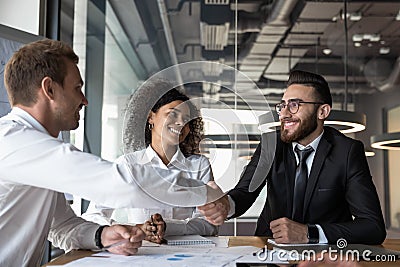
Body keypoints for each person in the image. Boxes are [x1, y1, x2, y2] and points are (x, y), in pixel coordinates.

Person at [0, 39, 222, 266]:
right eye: (77, 88)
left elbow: (62, 227)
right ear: (49, 89)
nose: (84, 100)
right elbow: (123, 183)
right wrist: (209, 194)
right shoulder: (13, 141)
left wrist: (103, 235)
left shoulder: (34, 148)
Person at [199, 70, 386, 245]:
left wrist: (309, 233)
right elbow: (245, 192)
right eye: (282, 106)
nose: (284, 114)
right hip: (270, 250)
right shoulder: (270, 144)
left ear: (322, 112)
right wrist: (225, 205)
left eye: (294, 105)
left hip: (324, 258)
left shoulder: (347, 151)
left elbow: (373, 227)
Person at [83, 83, 218, 243]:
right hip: (139, 253)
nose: (181, 123)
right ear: (151, 117)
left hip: (188, 254)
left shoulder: (199, 165)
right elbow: (93, 216)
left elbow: (210, 225)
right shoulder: (128, 164)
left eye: (186, 119)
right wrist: (133, 229)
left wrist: (168, 227)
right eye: (172, 114)